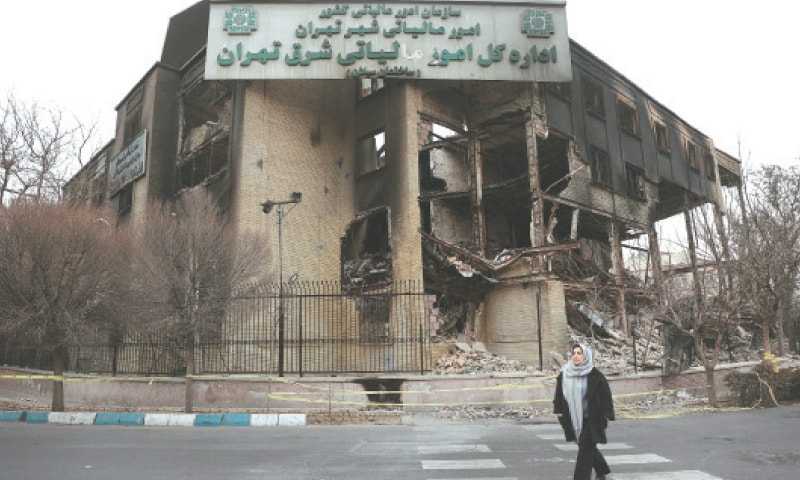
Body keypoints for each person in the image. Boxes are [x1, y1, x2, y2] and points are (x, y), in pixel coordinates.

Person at [553, 343, 615, 480]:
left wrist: (607, 414)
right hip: (572, 419)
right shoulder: (565, 374)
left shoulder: (595, 375)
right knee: (586, 447)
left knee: (585, 451)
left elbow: (606, 395)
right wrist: (558, 411)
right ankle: (602, 469)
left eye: (579, 353)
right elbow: (559, 395)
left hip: (592, 420)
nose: (576, 356)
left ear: (586, 356)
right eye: (574, 353)